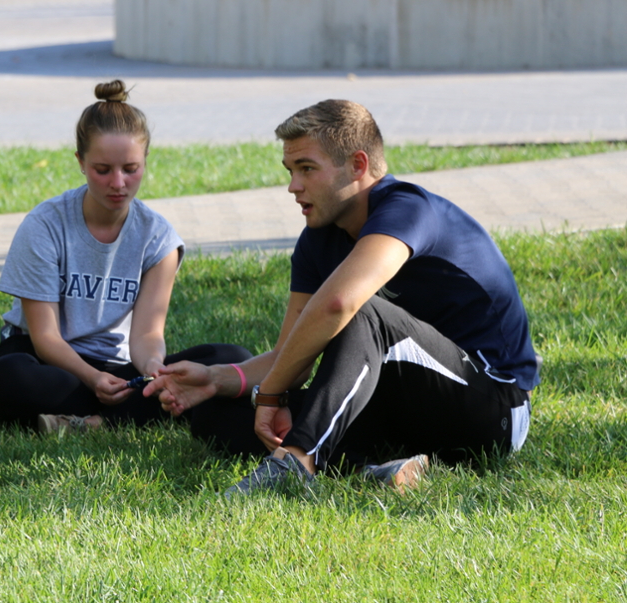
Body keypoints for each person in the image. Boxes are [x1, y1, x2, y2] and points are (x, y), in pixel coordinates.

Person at [144, 100, 539, 495]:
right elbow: (290, 358)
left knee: (362, 311)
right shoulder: (317, 240)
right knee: (217, 413)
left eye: (307, 169)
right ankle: (378, 469)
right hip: (398, 411)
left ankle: (294, 465)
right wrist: (218, 379)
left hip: (493, 409)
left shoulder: (408, 209)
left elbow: (340, 305)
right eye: (290, 171)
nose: (293, 186)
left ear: (358, 165)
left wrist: (270, 395)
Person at [0, 80, 258, 455]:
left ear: (145, 163)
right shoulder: (44, 226)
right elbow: (45, 338)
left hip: (119, 368)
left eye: (130, 169)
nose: (118, 183)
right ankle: (137, 412)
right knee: (5, 378)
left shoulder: (158, 237)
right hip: (48, 360)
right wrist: (93, 379)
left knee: (233, 360)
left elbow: (145, 335)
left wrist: (157, 371)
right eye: (102, 169)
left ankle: (93, 422)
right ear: (79, 162)